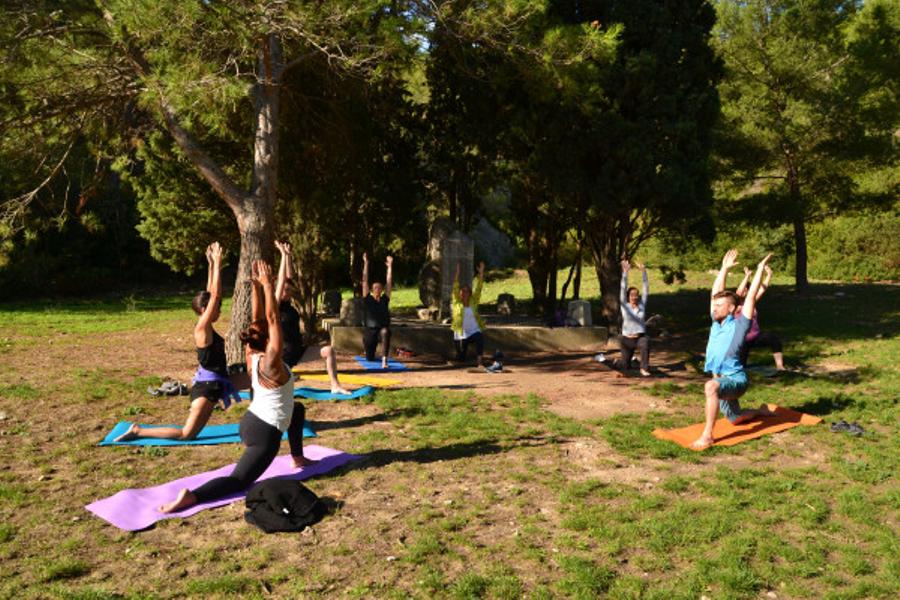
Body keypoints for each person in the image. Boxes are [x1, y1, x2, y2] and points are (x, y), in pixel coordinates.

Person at [159, 260, 315, 513]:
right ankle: (192, 497)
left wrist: (256, 288)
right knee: (239, 480)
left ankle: (297, 457)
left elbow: (259, 319)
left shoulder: (253, 352)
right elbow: (272, 318)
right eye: (274, 334)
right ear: (271, 340)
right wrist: (266, 284)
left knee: (297, 409)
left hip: (252, 421)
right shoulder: (272, 363)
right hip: (264, 435)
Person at [115, 242, 239, 442]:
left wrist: (210, 265)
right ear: (203, 311)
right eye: (216, 308)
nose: (219, 310)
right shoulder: (202, 328)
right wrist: (217, 263)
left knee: (255, 380)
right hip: (208, 386)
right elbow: (214, 296)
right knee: (186, 434)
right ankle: (138, 431)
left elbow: (210, 295)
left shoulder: (206, 325)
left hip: (218, 379)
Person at [691, 249, 775, 450]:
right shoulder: (715, 323)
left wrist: (760, 271)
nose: (715, 307)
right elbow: (715, 294)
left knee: (710, 387)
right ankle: (760, 411)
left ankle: (707, 436)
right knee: (736, 419)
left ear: (731, 309)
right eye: (715, 305)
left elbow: (752, 295)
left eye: (720, 305)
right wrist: (724, 269)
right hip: (721, 379)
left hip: (736, 380)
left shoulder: (739, 325)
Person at [275, 241, 349, 394]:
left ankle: (335, 385)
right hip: (282, 356)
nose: (287, 292)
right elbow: (282, 280)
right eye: (284, 290)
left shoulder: (289, 305)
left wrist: (288, 256)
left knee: (328, 350)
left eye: (289, 290)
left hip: (298, 350)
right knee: (281, 387)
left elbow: (289, 278)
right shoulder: (274, 306)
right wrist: (282, 256)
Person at [595, 259, 651, 376]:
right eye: (632, 295)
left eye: (636, 295)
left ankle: (644, 368)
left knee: (645, 343)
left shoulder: (642, 304)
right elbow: (622, 288)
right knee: (624, 366)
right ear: (628, 296)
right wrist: (625, 272)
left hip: (640, 337)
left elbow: (646, 288)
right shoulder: (624, 306)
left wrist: (644, 272)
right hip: (627, 340)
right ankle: (608, 360)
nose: (634, 297)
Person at [735, 264, 785, 370]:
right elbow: (738, 292)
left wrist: (769, 275)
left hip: (756, 336)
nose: (743, 291)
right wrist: (747, 276)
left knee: (774, 340)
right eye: (743, 289)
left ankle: (780, 366)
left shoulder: (751, 303)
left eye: (746, 290)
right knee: (741, 367)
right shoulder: (736, 306)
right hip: (742, 340)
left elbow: (762, 289)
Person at [452, 261, 493, 369]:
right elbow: (455, 287)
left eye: (466, 291)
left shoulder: (473, 302)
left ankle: (479, 361)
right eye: (462, 291)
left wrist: (481, 273)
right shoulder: (456, 302)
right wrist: (457, 274)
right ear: (460, 294)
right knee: (461, 358)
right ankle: (461, 354)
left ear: (470, 293)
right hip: (461, 333)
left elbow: (479, 287)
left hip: (474, 331)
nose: (464, 293)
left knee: (480, 337)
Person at [361, 252, 393, 369]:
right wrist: (366, 263)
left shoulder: (385, 299)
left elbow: (389, 283)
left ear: (382, 289)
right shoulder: (367, 298)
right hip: (370, 332)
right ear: (372, 289)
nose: (377, 289)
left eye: (379, 287)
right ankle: (368, 351)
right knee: (370, 357)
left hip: (381, 330)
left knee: (386, 332)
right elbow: (364, 281)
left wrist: (390, 267)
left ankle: (384, 360)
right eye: (375, 287)